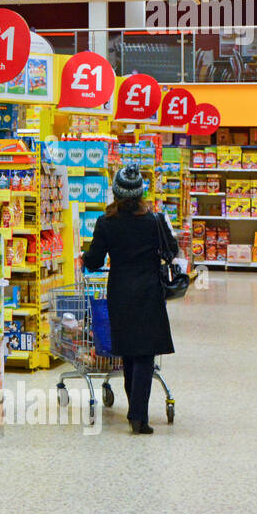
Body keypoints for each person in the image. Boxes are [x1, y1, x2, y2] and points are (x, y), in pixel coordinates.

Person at [81, 165, 176, 434]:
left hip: (120, 292)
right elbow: (173, 249)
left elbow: (95, 260)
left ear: (116, 192)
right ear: (141, 193)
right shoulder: (154, 220)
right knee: (145, 353)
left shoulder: (106, 223)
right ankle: (138, 416)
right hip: (149, 291)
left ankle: (135, 408)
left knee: (128, 352)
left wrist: (85, 258)